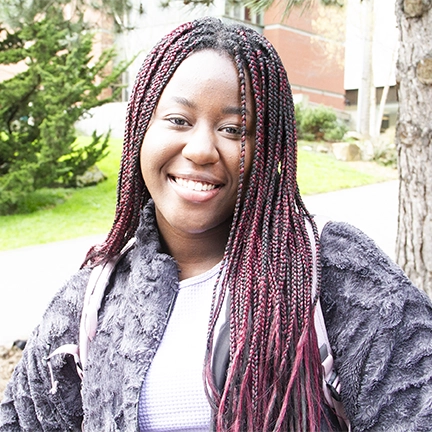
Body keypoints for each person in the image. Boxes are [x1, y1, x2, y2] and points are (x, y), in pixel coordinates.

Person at [1, 16, 432, 432]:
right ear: (140, 129)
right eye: (178, 120)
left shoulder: (330, 268)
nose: (202, 149)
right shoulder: (93, 299)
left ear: (268, 146)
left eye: (233, 129)